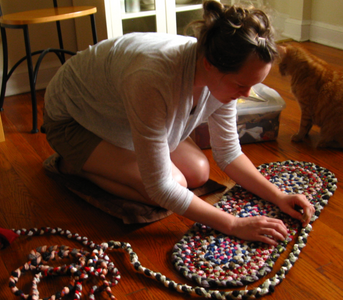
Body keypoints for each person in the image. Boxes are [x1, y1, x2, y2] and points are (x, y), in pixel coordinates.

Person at [41, 0, 314, 245]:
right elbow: (160, 187)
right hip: (72, 121)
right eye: (242, 84)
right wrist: (233, 224)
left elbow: (228, 152)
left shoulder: (221, 69)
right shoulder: (153, 79)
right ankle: (72, 165)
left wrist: (277, 196)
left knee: (198, 171)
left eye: (254, 84)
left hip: (121, 115)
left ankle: (107, 160)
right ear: (210, 64)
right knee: (168, 186)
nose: (247, 95)